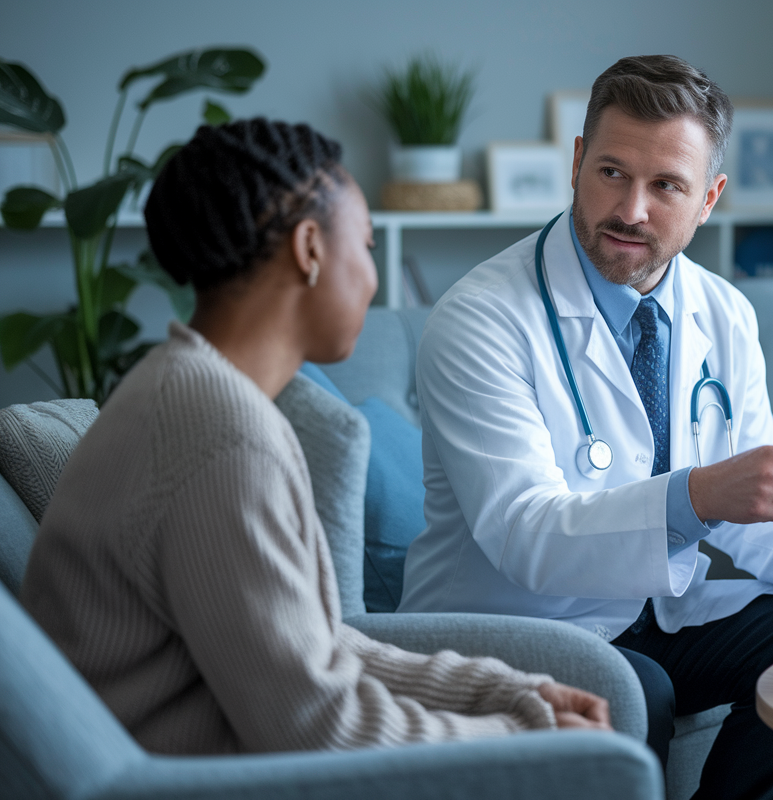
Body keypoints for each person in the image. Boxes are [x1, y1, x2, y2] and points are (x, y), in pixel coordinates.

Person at [399, 56, 773, 799]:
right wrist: (699, 495)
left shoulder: (724, 313)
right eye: (611, 172)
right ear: (577, 161)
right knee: (632, 688)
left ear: (708, 198)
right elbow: (526, 537)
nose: (631, 210)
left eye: (666, 185)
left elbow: (750, 521)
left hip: (651, 610)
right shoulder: (481, 319)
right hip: (509, 623)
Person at [19, 118, 610, 755]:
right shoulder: (221, 436)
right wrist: (523, 737)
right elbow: (322, 726)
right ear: (310, 248)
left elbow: (314, 645)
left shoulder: (194, 391)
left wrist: (503, 691)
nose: (375, 278)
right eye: (364, 245)